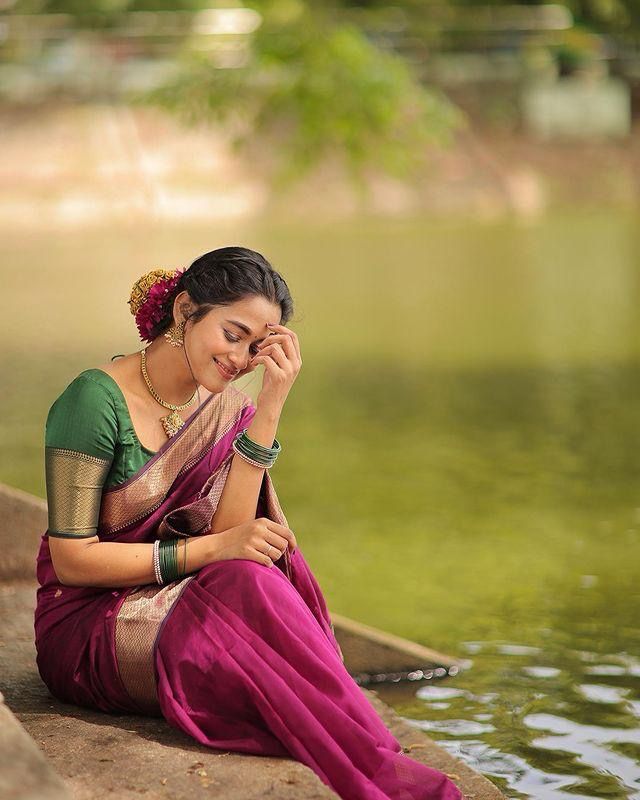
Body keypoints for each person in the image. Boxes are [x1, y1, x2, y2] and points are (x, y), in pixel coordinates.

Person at [34, 246, 462, 800]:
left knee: (253, 579)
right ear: (184, 310)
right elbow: (73, 561)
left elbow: (229, 540)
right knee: (264, 663)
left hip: (173, 601)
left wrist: (272, 402)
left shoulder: (225, 408)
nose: (240, 359)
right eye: (232, 335)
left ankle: (376, 759)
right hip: (90, 626)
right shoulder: (94, 401)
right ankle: (377, 764)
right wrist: (207, 553)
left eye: (256, 348)